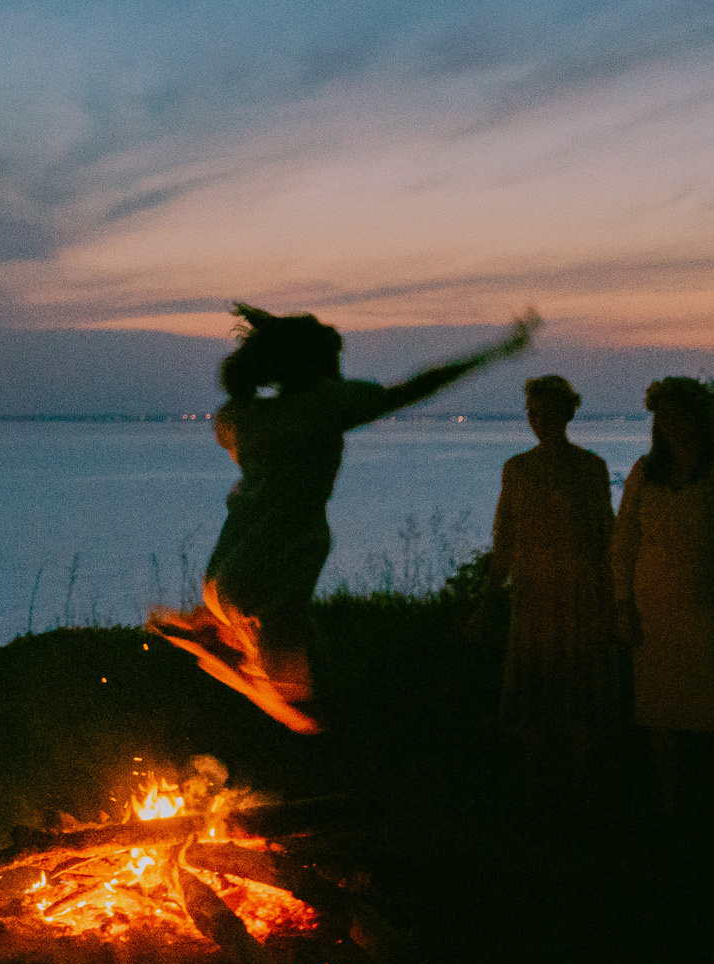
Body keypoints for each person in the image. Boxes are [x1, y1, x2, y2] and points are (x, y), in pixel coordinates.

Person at [152, 304, 538, 732]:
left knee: (326, 684)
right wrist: (494, 352)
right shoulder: (325, 405)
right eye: (333, 359)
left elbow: (240, 409)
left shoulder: (237, 419)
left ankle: (222, 640)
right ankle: (234, 660)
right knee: (311, 716)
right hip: (269, 581)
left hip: (224, 575)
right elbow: (414, 388)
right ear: (314, 365)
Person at [611, 376, 714, 840]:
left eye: (682, 416)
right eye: (665, 418)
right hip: (654, 611)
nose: (674, 425)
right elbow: (624, 542)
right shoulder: (645, 472)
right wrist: (624, 604)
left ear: (700, 419)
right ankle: (670, 807)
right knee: (660, 717)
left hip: (708, 612)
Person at [474, 374, 618, 788]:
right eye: (533, 413)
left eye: (548, 412)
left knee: (579, 689)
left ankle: (582, 780)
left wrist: (613, 599)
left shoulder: (591, 467)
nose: (539, 420)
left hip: (578, 591)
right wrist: (485, 605)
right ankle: (538, 780)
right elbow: (505, 536)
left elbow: (604, 533)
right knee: (533, 689)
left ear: (567, 414)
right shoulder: (517, 468)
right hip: (534, 593)